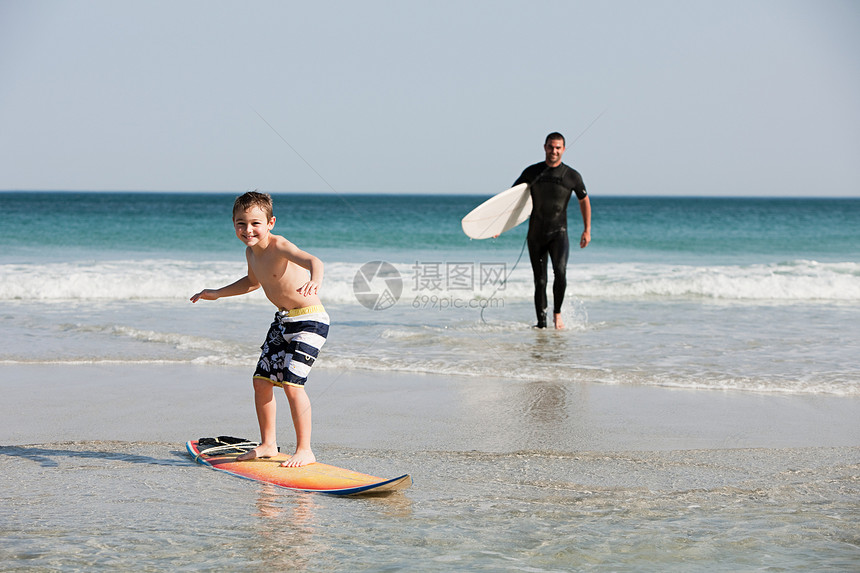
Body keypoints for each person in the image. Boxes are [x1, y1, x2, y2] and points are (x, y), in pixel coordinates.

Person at [190, 191, 328, 467]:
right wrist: (217, 293)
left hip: (310, 321)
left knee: (291, 385)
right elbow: (252, 282)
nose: (248, 229)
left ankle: (305, 450)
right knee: (261, 382)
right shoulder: (250, 253)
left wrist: (316, 280)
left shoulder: (279, 246)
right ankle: (267, 444)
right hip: (283, 322)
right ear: (233, 224)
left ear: (270, 223)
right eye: (241, 223)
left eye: (255, 223)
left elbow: (314, 261)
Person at [514, 132, 591, 329]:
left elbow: (584, 201)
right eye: (550, 147)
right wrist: (499, 225)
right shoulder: (532, 172)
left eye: (558, 147)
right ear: (544, 147)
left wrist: (586, 229)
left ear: (563, 149)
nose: (554, 151)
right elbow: (512, 198)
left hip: (559, 233)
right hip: (536, 235)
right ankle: (541, 324)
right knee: (540, 281)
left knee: (561, 272)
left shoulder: (572, 176)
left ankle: (557, 314)